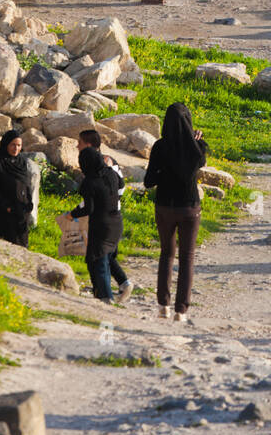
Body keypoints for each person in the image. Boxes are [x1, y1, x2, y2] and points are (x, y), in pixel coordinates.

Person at [144, 103, 208, 324]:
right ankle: (181, 310)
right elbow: (200, 161)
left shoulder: (160, 147)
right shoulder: (196, 148)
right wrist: (197, 140)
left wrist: (165, 174)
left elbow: (148, 181)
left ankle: (163, 306)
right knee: (187, 257)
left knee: (166, 254)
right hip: (189, 207)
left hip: (164, 206)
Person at [77, 128, 133, 302]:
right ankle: (120, 284)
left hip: (103, 216)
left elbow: (119, 188)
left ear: (88, 145)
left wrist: (75, 212)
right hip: (113, 217)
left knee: (100, 256)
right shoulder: (102, 164)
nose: (77, 146)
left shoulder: (103, 163)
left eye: (79, 142)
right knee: (105, 255)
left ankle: (106, 295)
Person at [68, 147, 124, 304]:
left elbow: (88, 208)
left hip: (101, 225)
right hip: (116, 222)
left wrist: (72, 214)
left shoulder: (89, 182)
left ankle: (106, 297)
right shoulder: (111, 174)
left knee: (99, 261)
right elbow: (121, 186)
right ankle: (106, 293)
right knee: (104, 258)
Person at [0, 128, 32, 247]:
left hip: (21, 212)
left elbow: (26, 184)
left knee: (22, 245)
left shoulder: (22, 162)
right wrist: (7, 207)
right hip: (3, 213)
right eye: (13, 145)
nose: (16, 148)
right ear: (6, 144)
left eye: (19, 145)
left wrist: (29, 203)